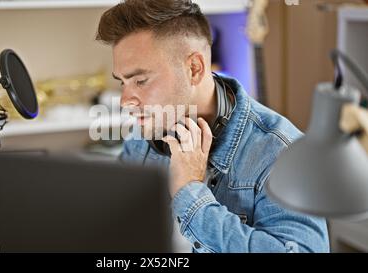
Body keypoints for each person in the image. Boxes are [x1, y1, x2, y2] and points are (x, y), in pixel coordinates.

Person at [95, 0, 329, 253]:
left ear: (194, 69)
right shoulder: (147, 132)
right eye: (122, 82)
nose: (125, 101)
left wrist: (190, 193)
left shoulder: (284, 153)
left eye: (140, 80)